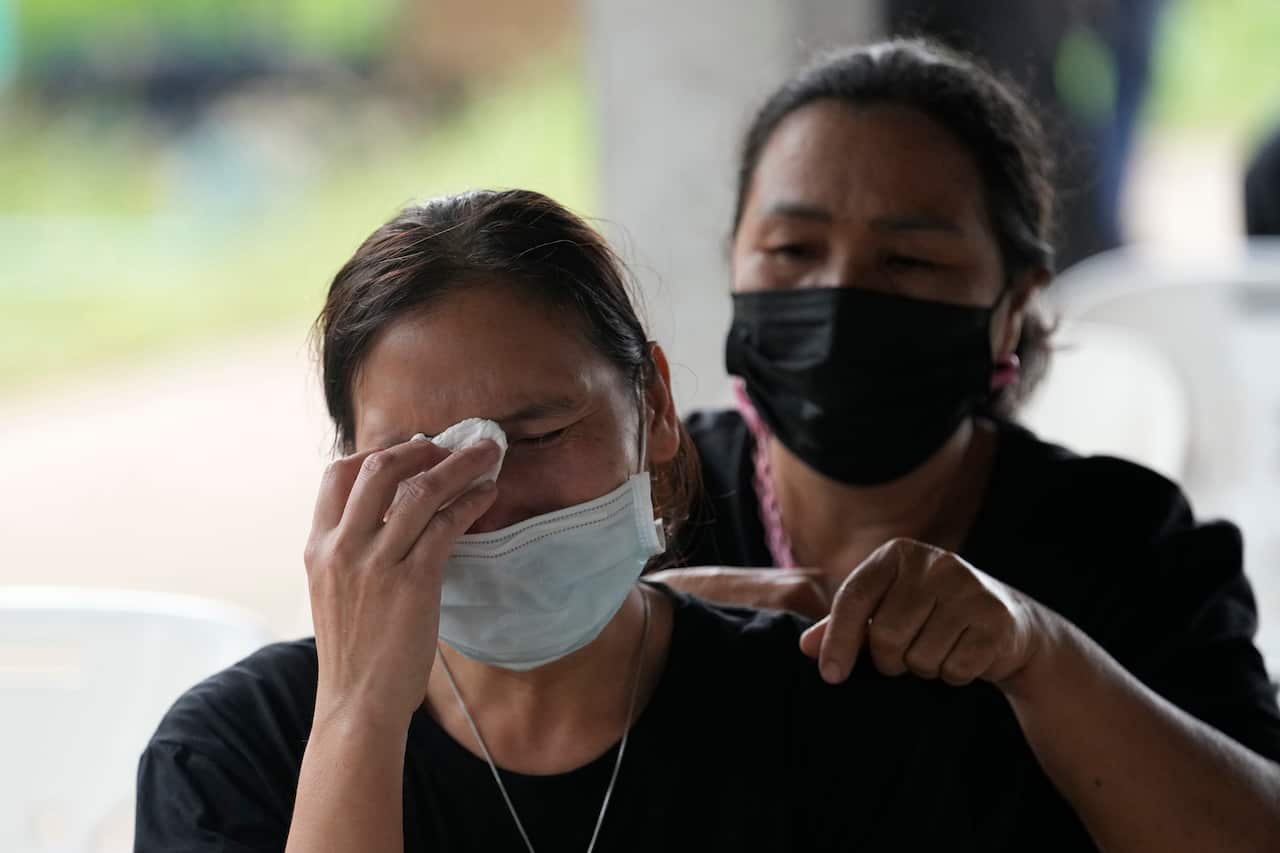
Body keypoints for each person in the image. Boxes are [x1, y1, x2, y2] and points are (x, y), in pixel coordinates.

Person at [133, 188, 1274, 852]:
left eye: (536, 437)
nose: (488, 503)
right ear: (345, 477)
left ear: (655, 411)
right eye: (415, 465)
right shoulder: (238, 755)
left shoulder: (844, 718)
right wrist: (358, 713)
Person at [657, 38, 1280, 850]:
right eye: (792, 250)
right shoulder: (649, 509)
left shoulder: (1124, 541)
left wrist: (1038, 653)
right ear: (735, 259)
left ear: (1014, 303)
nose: (841, 295)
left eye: (908, 259)